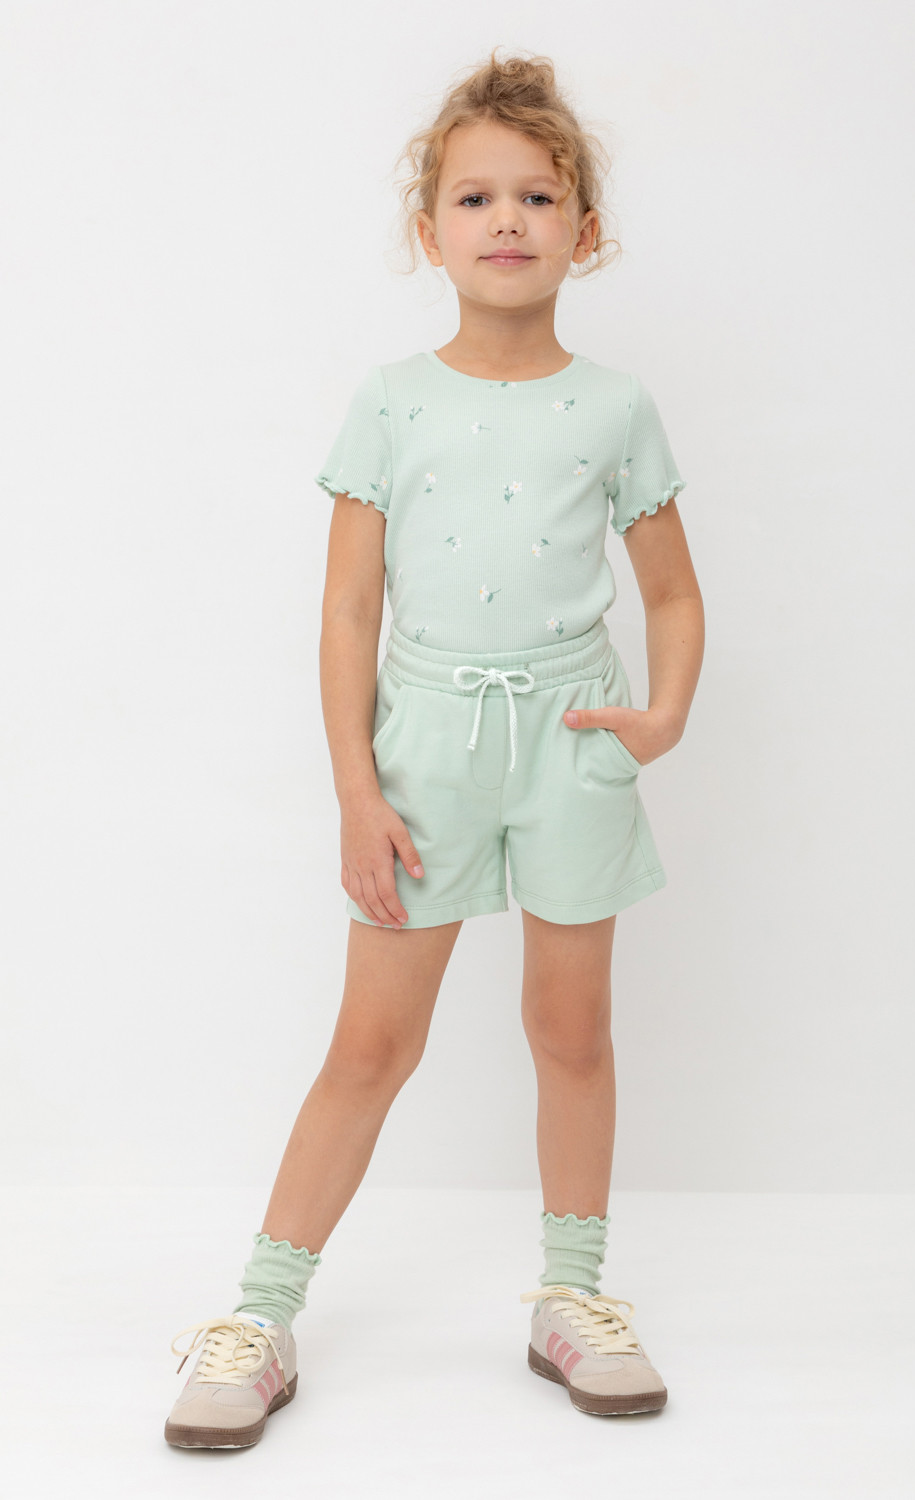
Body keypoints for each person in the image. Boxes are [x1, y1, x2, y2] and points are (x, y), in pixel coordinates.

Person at [164, 46, 704, 1447]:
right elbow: (350, 610)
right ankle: (260, 1316)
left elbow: (670, 592)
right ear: (430, 230)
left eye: (538, 195)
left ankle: (571, 1297)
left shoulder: (617, 407)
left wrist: (661, 714)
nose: (507, 219)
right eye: (475, 197)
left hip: (572, 739)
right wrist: (358, 789)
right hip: (424, 751)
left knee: (571, 1032)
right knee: (372, 1043)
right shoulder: (393, 401)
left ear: (587, 229)